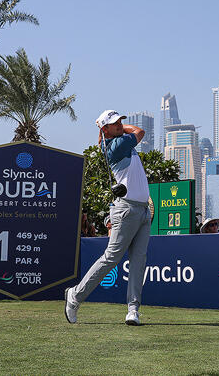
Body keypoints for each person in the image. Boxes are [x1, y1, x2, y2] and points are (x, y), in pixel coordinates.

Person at [65, 110, 150, 326]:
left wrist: (109, 130)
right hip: (126, 210)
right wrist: (116, 132)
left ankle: (133, 310)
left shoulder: (116, 141)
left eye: (121, 121)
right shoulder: (116, 146)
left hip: (141, 210)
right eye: (115, 123)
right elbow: (140, 131)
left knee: (138, 262)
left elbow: (129, 133)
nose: (120, 124)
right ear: (105, 129)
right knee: (111, 258)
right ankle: (75, 296)